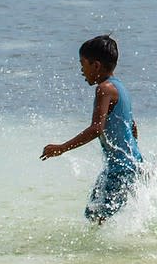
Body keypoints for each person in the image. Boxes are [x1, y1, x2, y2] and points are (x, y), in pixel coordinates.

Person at [41, 35, 144, 224]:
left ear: (96, 65)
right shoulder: (121, 88)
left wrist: (61, 148)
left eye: (83, 64)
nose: (81, 70)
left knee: (98, 218)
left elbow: (97, 128)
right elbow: (133, 126)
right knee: (94, 213)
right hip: (129, 165)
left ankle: (107, 253)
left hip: (121, 169)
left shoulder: (104, 89)